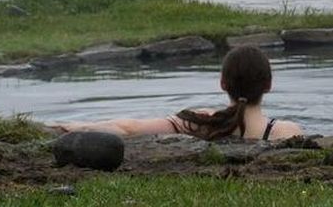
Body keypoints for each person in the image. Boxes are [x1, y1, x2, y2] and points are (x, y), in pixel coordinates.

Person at [50, 45, 303, 141]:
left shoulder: (200, 123)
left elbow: (130, 128)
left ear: (223, 84)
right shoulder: (285, 132)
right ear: (269, 85)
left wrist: (75, 126)